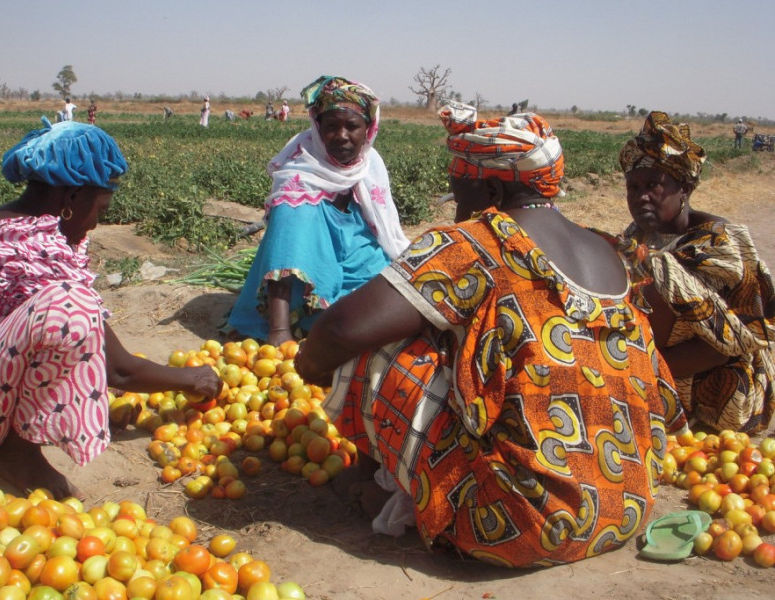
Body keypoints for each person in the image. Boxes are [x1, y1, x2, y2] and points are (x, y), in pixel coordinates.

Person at [294, 102, 687, 568]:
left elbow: (341, 329)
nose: (456, 200)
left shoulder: (476, 243)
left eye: (460, 188)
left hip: (517, 526)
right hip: (625, 507)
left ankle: (393, 489)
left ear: (492, 187)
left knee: (376, 345)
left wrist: (308, 367)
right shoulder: (608, 249)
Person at [0, 118, 221, 499]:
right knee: (71, 307)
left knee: (63, 318)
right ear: (72, 199)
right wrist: (191, 380)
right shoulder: (30, 246)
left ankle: (11, 444)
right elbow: (118, 369)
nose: (95, 223)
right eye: (100, 209)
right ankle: (19, 453)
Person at [619, 111, 775, 433]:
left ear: (685, 189)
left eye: (653, 186)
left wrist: (642, 370)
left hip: (721, 382)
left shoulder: (719, 244)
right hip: (657, 364)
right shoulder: (637, 235)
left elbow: (732, 344)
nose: (641, 196)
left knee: (658, 277)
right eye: (633, 187)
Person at [225, 75, 409, 346]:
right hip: (309, 290)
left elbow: (382, 231)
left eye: (352, 127)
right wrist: (280, 334)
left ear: (368, 129)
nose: (342, 136)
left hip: (355, 264)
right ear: (318, 127)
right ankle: (285, 323)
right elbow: (286, 250)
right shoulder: (300, 175)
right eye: (332, 126)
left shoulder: (370, 166)